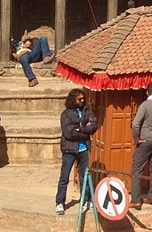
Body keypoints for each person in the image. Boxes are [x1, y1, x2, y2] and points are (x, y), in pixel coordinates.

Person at [55, 87, 98, 216]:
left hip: (83, 149)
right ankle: (59, 202)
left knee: (84, 176)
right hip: (70, 149)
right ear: (73, 99)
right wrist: (85, 132)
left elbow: (94, 126)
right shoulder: (66, 114)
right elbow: (69, 133)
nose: (82, 100)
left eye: (83, 98)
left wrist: (80, 129)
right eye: (80, 99)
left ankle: (86, 200)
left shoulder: (86, 111)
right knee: (64, 177)